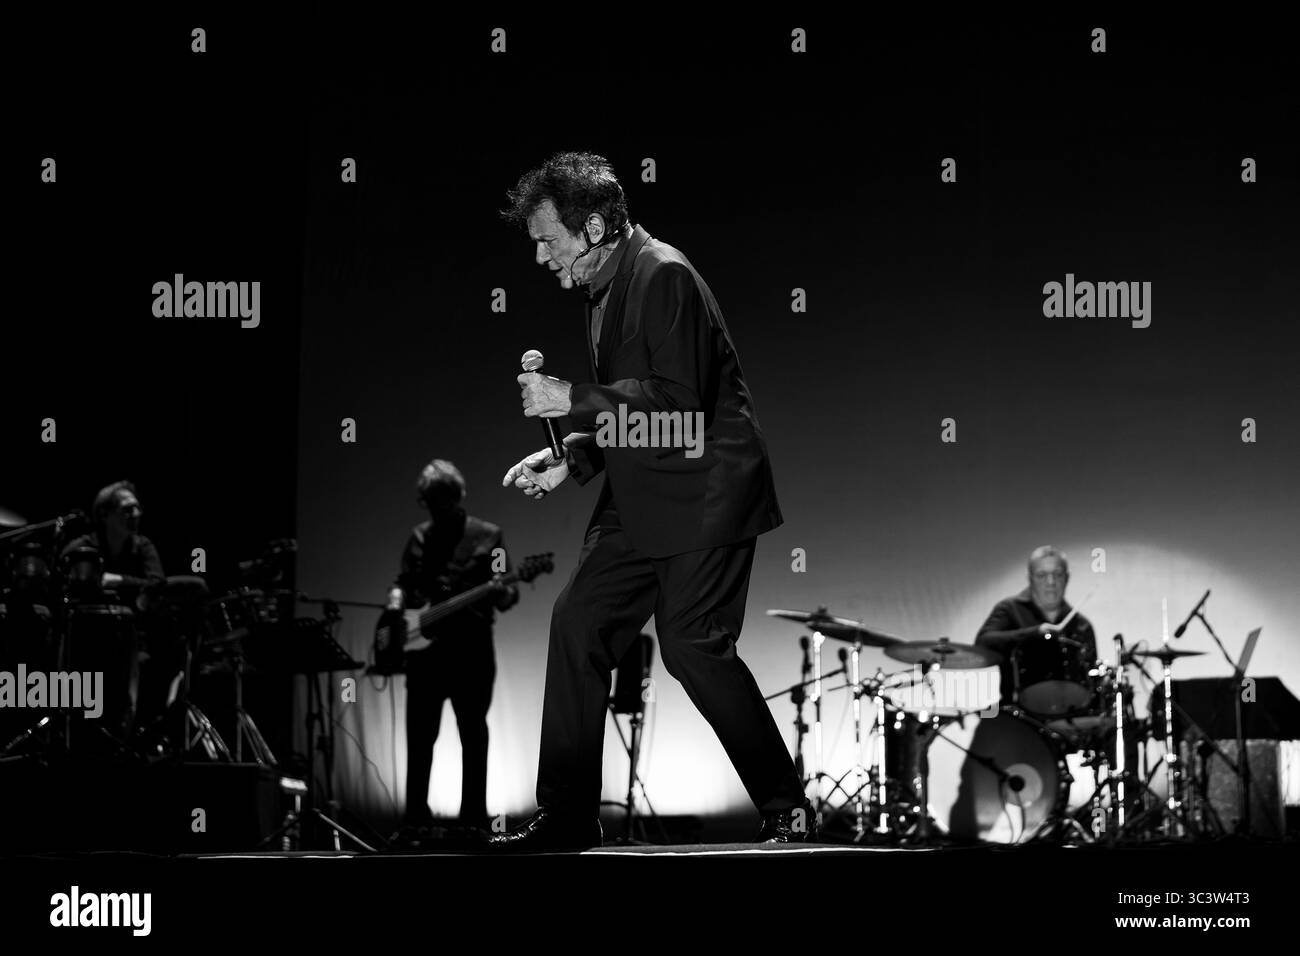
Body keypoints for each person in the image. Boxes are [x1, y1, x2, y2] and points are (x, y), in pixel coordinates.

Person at [495, 151, 812, 850]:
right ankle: (570, 814)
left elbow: (678, 405)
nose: (542, 256)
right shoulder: (603, 287)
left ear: (597, 225)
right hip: (640, 493)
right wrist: (572, 455)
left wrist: (569, 398)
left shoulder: (662, 273)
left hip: (706, 493)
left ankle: (786, 805)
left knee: (693, 646)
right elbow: (636, 410)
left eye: (549, 240)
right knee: (578, 622)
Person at [385, 459, 517, 842]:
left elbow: (508, 592)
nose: (435, 508)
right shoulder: (419, 537)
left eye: (441, 500)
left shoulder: (488, 537)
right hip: (425, 655)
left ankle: (473, 821)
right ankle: (415, 820)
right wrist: (395, 605)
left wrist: (503, 590)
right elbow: (401, 583)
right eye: (429, 502)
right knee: (419, 735)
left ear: (457, 496)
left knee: (473, 732)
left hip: (472, 651)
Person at [975, 545, 1098, 711]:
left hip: (1069, 715)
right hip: (1016, 714)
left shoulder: (1081, 625)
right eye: (1042, 575)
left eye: (1057, 574)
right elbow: (983, 642)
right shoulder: (1010, 609)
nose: (1051, 582)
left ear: (1067, 578)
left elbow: (1091, 680)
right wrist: (1034, 633)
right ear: (1030, 578)